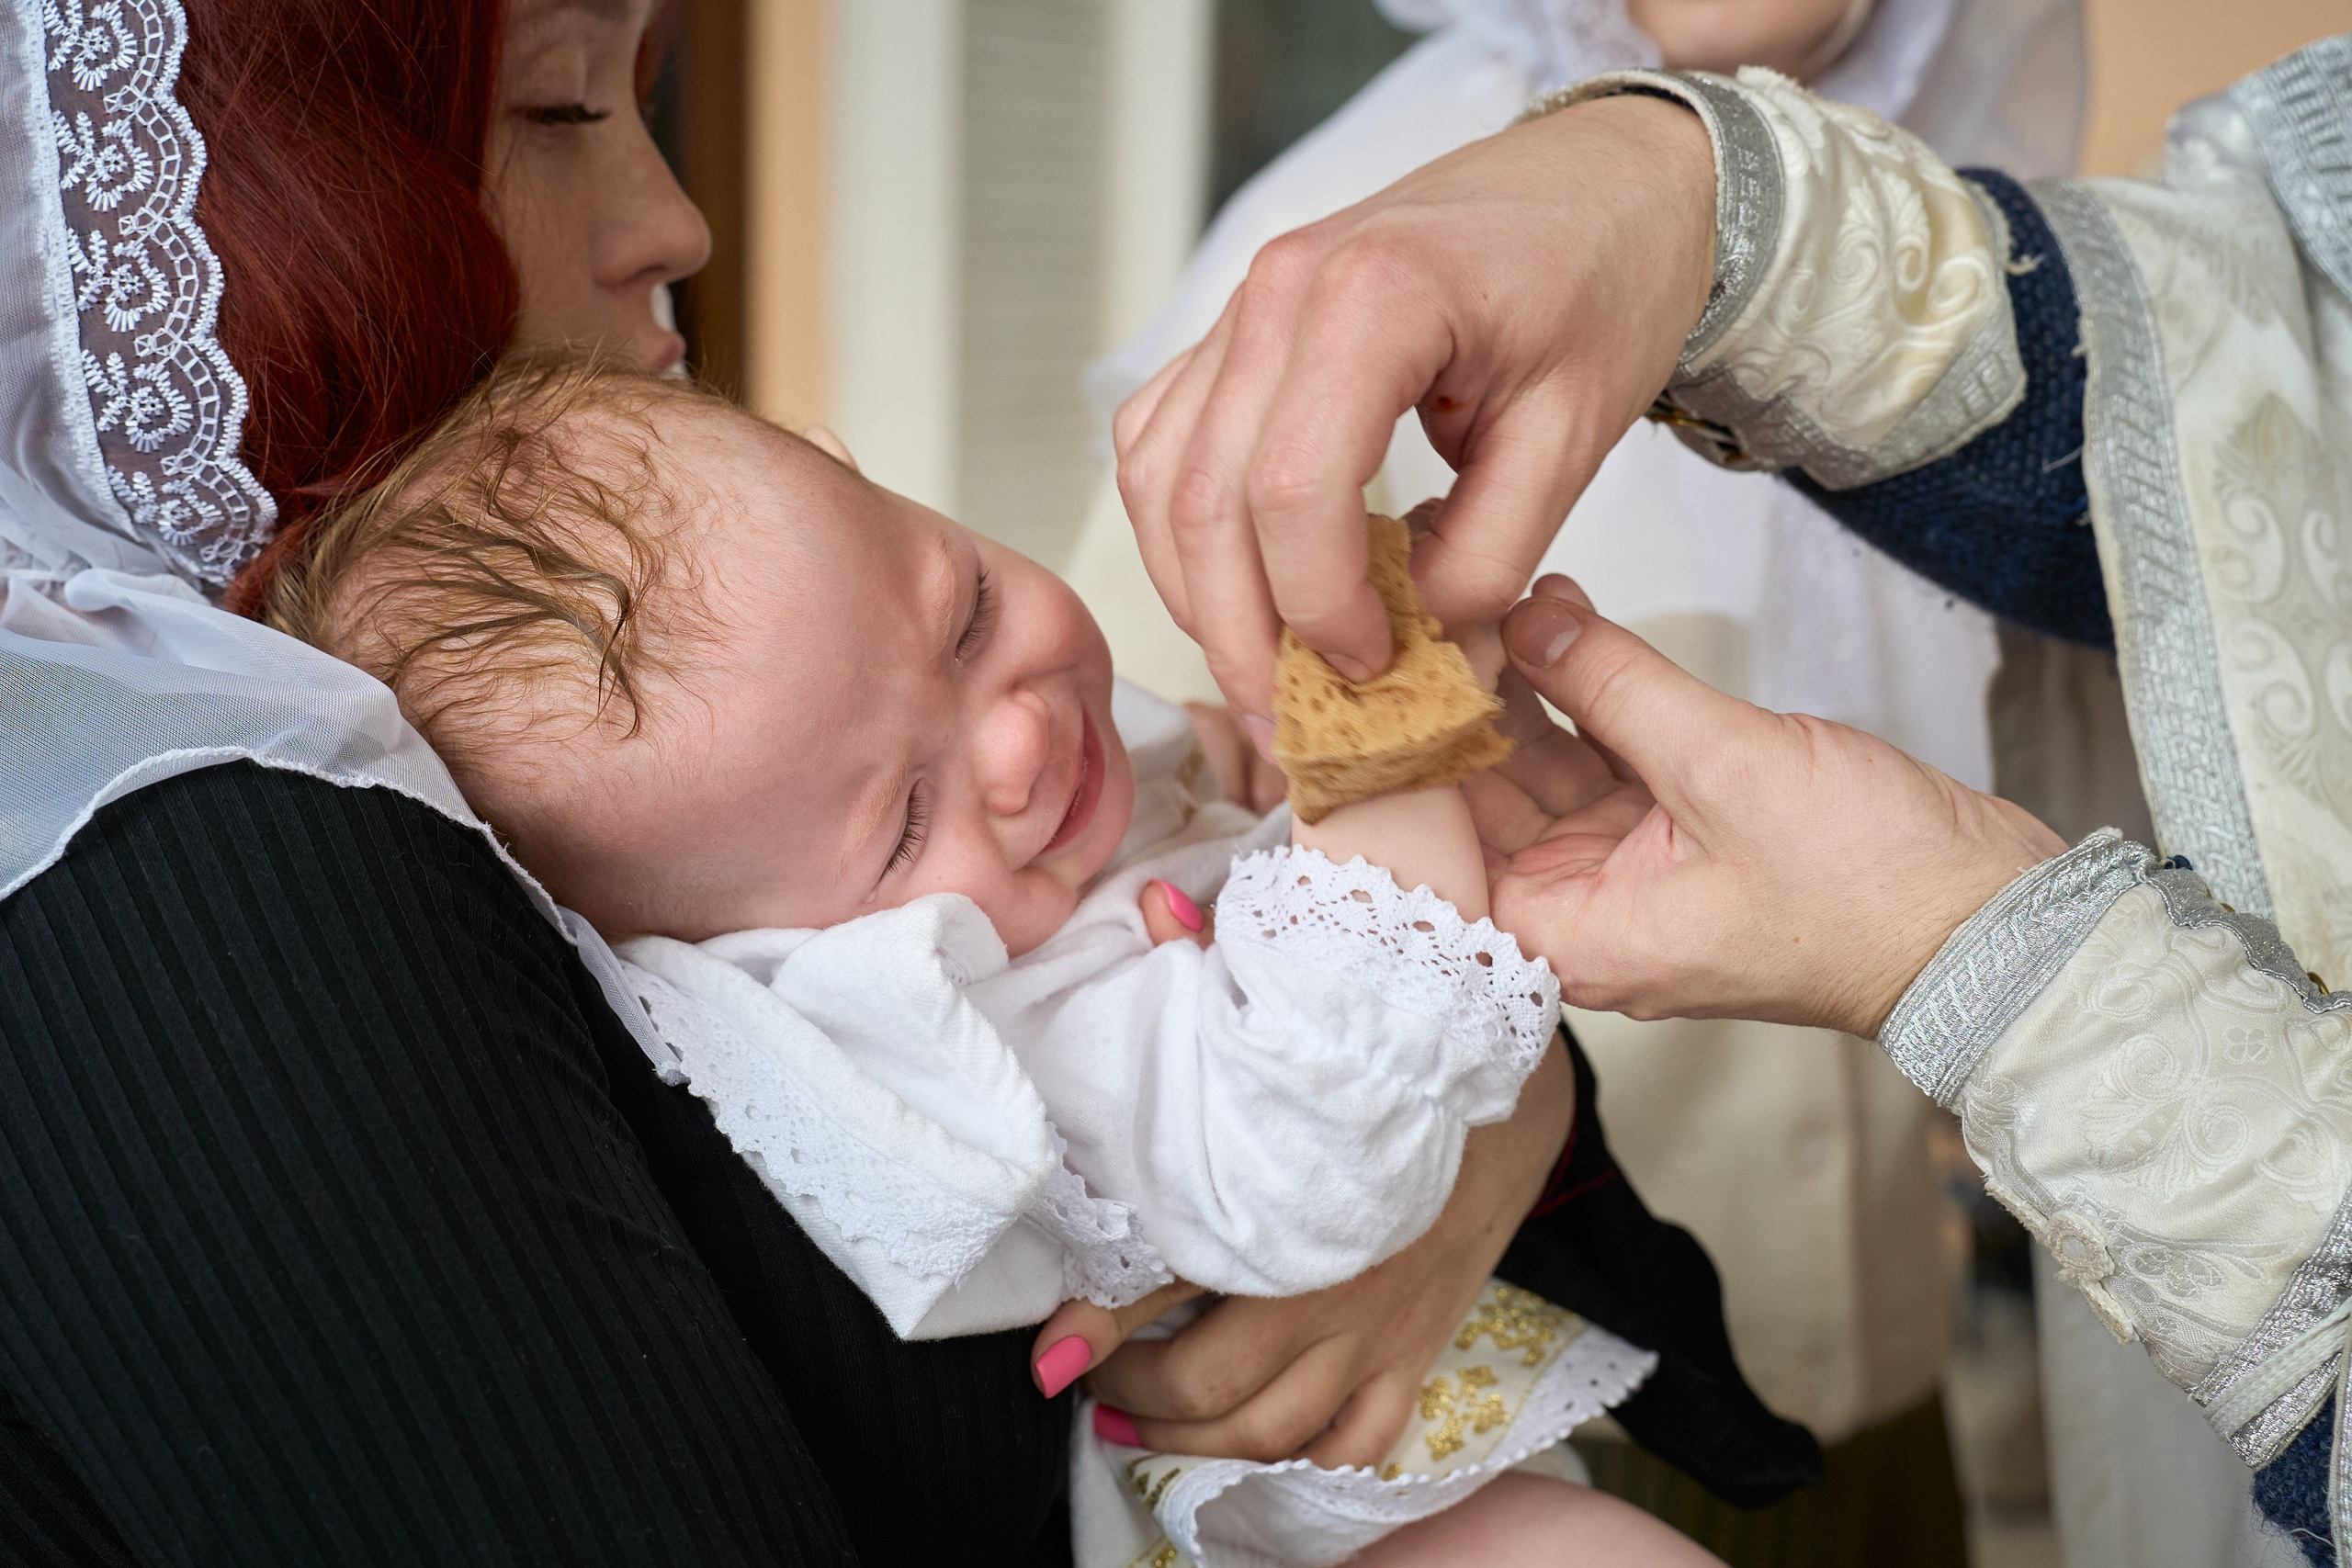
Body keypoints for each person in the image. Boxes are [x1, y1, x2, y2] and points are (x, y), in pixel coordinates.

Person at [0, 0, 1807, 1558]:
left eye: (954, 611)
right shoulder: (212, 863)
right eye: (558, 106)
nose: (679, 217)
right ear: (273, 195)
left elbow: (1327, 982)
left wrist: (1477, 1117)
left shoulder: (670, 643)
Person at [1106, 28, 2352, 1566]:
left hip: (1888, 1383)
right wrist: (1473, 1117)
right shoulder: (1323, 284)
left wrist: (1955, 956)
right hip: (1559, 1418)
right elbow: (1172, 858)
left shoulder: (2020, 218)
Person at [266, 355, 1722, 1567]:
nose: (1022, 739)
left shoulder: (1034, 828)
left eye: (963, 612)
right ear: (761, 960)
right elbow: (1312, 1148)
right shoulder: (977, 1030)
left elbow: (1198, 810)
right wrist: (1381, 761)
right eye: (903, 821)